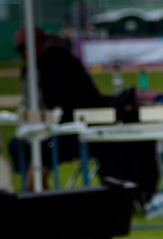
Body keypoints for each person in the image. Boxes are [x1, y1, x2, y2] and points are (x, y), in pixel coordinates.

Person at [8, 27, 106, 189]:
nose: (21, 54)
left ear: (37, 43)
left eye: (22, 48)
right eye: (18, 50)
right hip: (46, 130)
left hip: (72, 130)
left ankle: (38, 191)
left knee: (42, 149)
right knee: (18, 145)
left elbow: (65, 106)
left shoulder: (59, 63)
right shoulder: (30, 70)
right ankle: (37, 191)